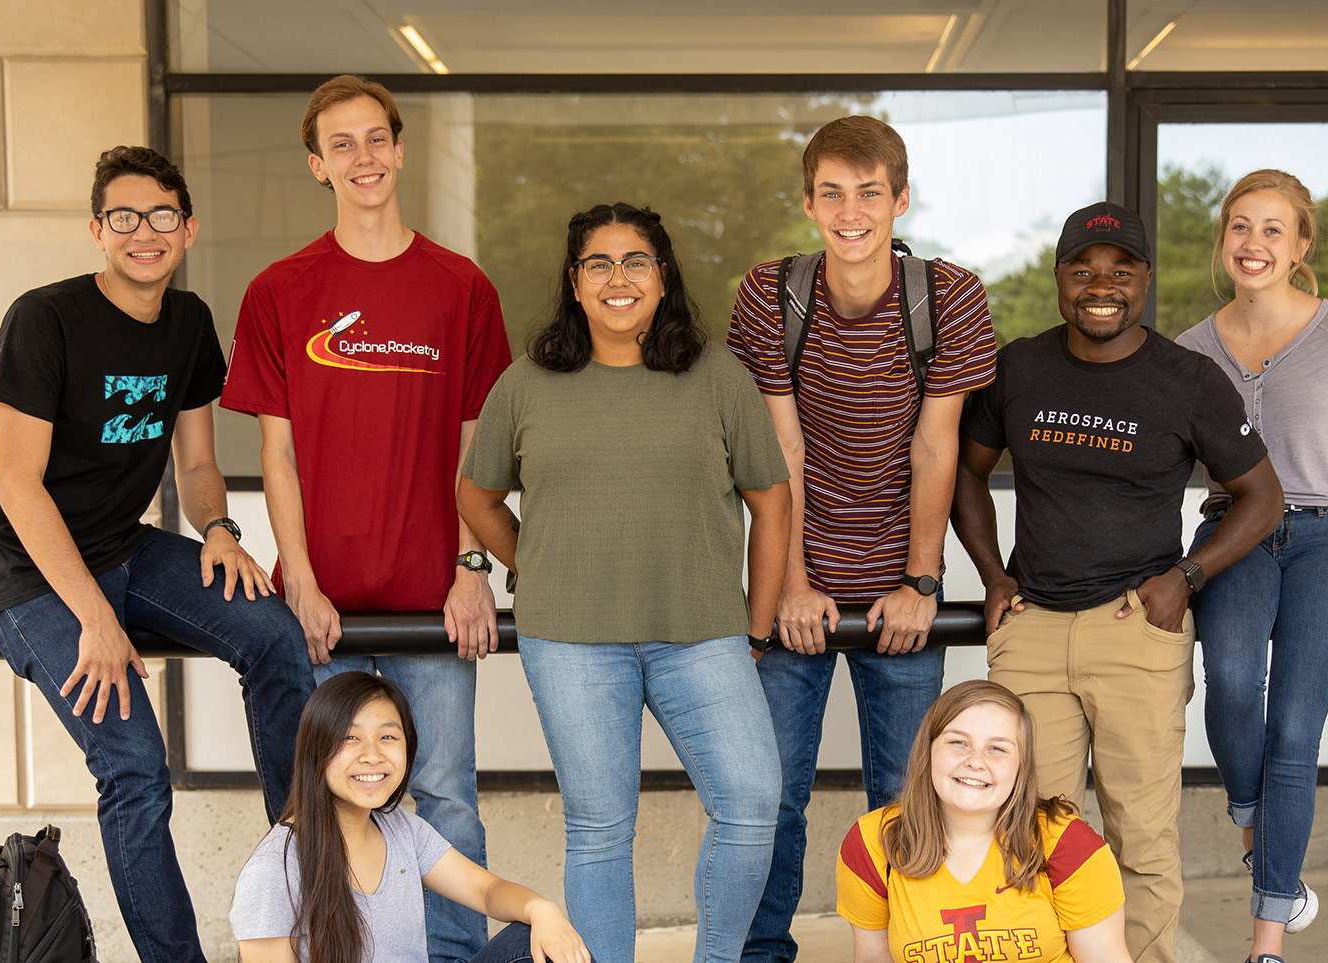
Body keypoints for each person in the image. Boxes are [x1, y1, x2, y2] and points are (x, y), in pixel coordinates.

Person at [0, 145, 315, 963]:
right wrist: (95, 615)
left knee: (272, 634)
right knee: (134, 764)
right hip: (30, 573)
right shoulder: (43, 319)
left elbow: (196, 466)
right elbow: (18, 488)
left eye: (161, 215)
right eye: (123, 217)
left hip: (124, 547)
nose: (143, 232)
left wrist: (221, 530)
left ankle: (306, 884)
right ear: (97, 230)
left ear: (187, 229)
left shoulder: (188, 323)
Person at [220, 74, 510, 963]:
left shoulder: (459, 286)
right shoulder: (279, 290)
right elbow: (279, 454)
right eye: (341, 144)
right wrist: (297, 577)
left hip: (433, 598)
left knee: (447, 791)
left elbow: (477, 447)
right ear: (317, 165)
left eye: (375, 138)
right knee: (322, 798)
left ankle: (452, 956)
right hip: (325, 607)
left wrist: (471, 565)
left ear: (398, 147)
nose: (363, 156)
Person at [457, 202, 793, 963]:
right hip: (570, 642)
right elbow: (474, 495)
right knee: (600, 828)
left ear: (662, 277)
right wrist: (531, 564)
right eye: (598, 264)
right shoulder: (528, 381)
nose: (617, 278)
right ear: (574, 283)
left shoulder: (716, 374)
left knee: (748, 803)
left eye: (635, 260)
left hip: (703, 634)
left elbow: (771, 501)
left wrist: (758, 627)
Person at [952, 200, 1284, 963]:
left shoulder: (1187, 379)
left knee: (1140, 835)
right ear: (1060, 278)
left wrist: (1186, 575)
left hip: (1135, 627)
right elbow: (964, 476)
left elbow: (1262, 499)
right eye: (1082, 269)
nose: (1100, 284)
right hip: (1032, 628)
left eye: (1119, 270)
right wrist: (992, 573)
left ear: (1143, 280)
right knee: (1028, 833)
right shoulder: (1018, 366)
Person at [726, 114, 998, 962]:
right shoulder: (769, 293)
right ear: (808, 202)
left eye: (870, 193)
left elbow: (935, 444)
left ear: (899, 199)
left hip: (897, 597)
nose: (852, 212)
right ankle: (760, 950)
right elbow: (780, 451)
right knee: (768, 794)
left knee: (909, 795)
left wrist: (921, 582)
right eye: (833, 194)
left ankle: (911, 949)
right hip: (794, 583)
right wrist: (791, 582)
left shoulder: (949, 296)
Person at [1175, 169, 1328, 963]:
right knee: (1232, 677)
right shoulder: (1189, 350)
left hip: (1327, 537)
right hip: (1233, 532)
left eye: (1273, 230)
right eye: (1240, 226)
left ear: (1300, 245)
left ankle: (1265, 943)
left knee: (1295, 730)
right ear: (1223, 240)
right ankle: (1253, 821)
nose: (1254, 244)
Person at [229, 672, 591, 963]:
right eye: (349, 738)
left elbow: (486, 891)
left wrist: (542, 909)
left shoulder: (399, 828)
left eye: (387, 736)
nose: (372, 755)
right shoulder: (274, 869)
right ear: (315, 752)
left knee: (537, 941)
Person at [836, 680, 1131, 963]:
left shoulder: (1068, 844)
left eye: (998, 748)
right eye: (958, 742)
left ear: (1021, 767)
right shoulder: (873, 842)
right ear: (927, 751)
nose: (975, 761)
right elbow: (874, 959)